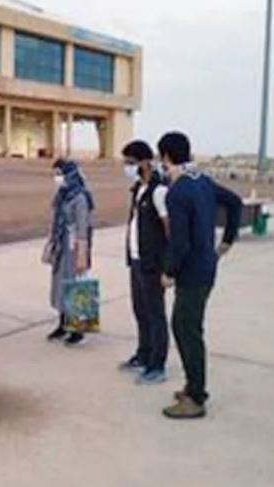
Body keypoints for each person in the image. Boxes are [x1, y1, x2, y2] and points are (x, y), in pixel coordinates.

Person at [158, 131, 243, 419]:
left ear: (165, 156)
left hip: (192, 272)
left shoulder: (177, 192)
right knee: (185, 326)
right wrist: (228, 239)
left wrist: (169, 271)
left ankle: (196, 397)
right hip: (206, 266)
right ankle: (192, 385)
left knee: (187, 330)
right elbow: (235, 202)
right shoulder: (202, 181)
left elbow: (180, 243)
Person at [118, 141, 170, 384]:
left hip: (152, 262)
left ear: (144, 162)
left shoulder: (159, 191)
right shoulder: (139, 188)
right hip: (137, 259)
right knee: (140, 310)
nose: (127, 167)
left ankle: (157, 364)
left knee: (155, 313)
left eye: (130, 162)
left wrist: (168, 264)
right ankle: (143, 354)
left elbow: (169, 229)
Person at [45, 160, 94, 346]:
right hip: (62, 245)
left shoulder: (80, 198)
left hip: (75, 247)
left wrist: (82, 254)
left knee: (76, 284)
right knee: (60, 284)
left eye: (60, 173)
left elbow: (83, 227)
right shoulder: (61, 196)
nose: (57, 178)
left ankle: (79, 328)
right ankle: (64, 323)